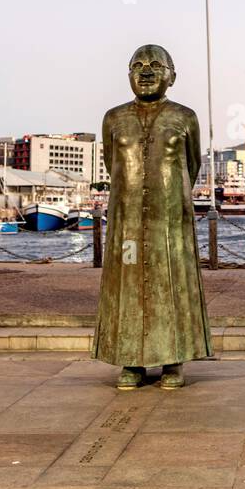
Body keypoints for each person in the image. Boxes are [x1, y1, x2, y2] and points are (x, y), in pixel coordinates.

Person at [93, 44, 212, 390]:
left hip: (170, 219)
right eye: (138, 65)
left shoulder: (185, 116)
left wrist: (170, 201)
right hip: (127, 220)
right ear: (128, 74)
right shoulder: (113, 118)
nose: (146, 72)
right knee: (126, 286)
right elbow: (112, 163)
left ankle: (174, 360)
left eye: (156, 65)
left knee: (172, 284)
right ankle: (131, 362)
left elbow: (191, 166)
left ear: (172, 76)